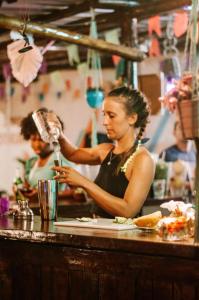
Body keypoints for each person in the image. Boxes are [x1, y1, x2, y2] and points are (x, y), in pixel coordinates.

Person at [52, 86, 155, 218]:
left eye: (111, 116)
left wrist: (83, 182)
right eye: (104, 115)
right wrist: (59, 134)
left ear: (132, 118)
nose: (105, 122)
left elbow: (128, 211)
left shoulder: (142, 159)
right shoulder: (106, 150)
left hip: (120, 237)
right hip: (98, 230)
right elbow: (72, 154)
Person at [19, 108, 78, 201]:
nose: (37, 145)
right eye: (33, 139)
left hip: (57, 211)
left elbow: (77, 191)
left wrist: (44, 194)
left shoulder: (57, 158)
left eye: (41, 140)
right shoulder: (32, 162)